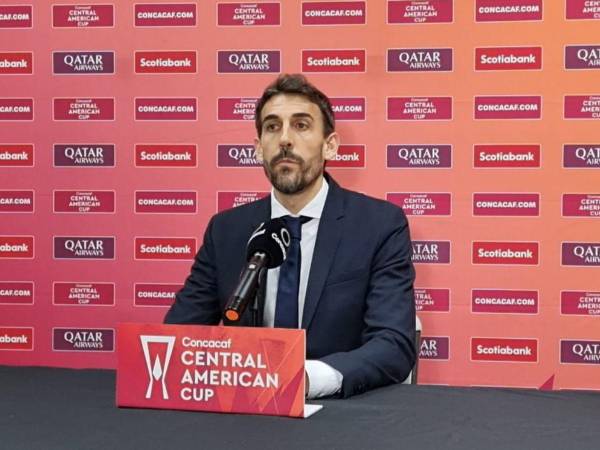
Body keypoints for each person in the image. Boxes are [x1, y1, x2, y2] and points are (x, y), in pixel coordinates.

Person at [164, 74, 416, 398]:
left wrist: (306, 379)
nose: (284, 139)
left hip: (340, 415)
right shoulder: (226, 231)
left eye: (300, 125)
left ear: (331, 145)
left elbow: (393, 344)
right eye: (272, 127)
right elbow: (178, 338)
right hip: (244, 416)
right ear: (257, 149)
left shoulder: (378, 225)